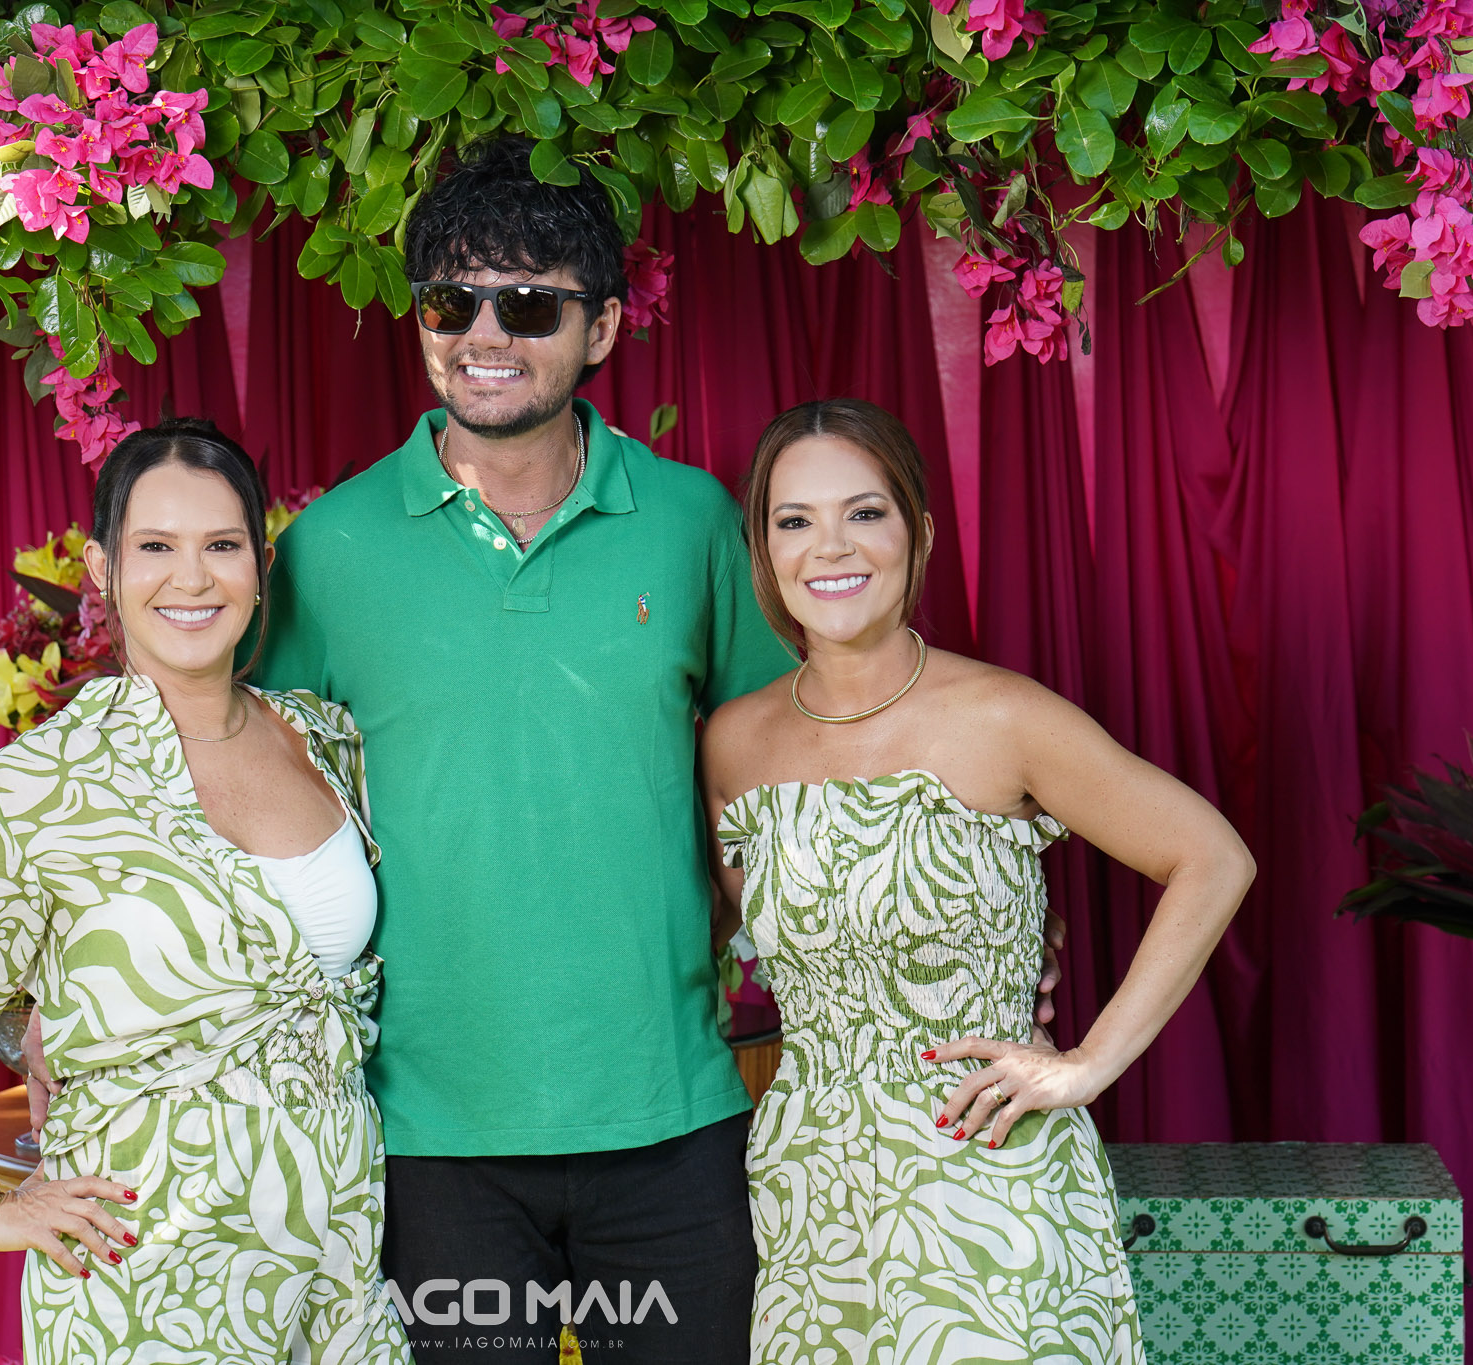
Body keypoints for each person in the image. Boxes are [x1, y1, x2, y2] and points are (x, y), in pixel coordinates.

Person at [247, 134, 796, 1362]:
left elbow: (788, 771)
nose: (484, 333)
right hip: (428, 1132)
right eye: (452, 301)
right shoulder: (328, 549)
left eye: (530, 304)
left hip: (668, 1114)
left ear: (601, 330)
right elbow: (241, 804)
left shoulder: (689, 522)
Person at [0, 419, 412, 1364]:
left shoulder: (324, 740)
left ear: (261, 565)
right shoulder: (44, 784)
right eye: (155, 547)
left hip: (337, 1273)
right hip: (148, 1282)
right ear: (101, 569)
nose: (192, 578)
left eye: (221, 545)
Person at [701, 399, 1254, 1364]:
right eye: (794, 520)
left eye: (864, 512)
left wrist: (1086, 1062)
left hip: (987, 1179)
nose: (831, 546)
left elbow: (1213, 858)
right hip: (811, 1190)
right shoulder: (734, 743)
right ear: (763, 550)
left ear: (919, 533)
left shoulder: (1004, 716)